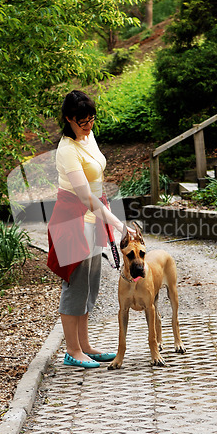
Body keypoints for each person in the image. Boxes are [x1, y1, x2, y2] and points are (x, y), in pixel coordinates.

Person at [47, 90, 134, 369]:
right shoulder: (67, 150)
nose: (88, 124)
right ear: (68, 118)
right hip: (72, 219)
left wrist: (107, 217)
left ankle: (85, 346)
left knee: (90, 284)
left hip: (94, 218)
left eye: (92, 118)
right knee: (74, 284)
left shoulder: (89, 136)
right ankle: (72, 351)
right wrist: (118, 222)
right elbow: (84, 196)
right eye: (82, 121)